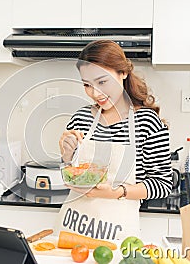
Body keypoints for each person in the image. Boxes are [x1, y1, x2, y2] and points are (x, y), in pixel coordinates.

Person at [55, 40, 172, 241]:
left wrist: (116, 192)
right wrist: (66, 156)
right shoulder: (81, 118)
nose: (95, 93)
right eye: (87, 85)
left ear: (123, 73)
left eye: (102, 82)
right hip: (72, 230)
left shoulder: (147, 122)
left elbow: (162, 184)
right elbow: (69, 175)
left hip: (117, 236)